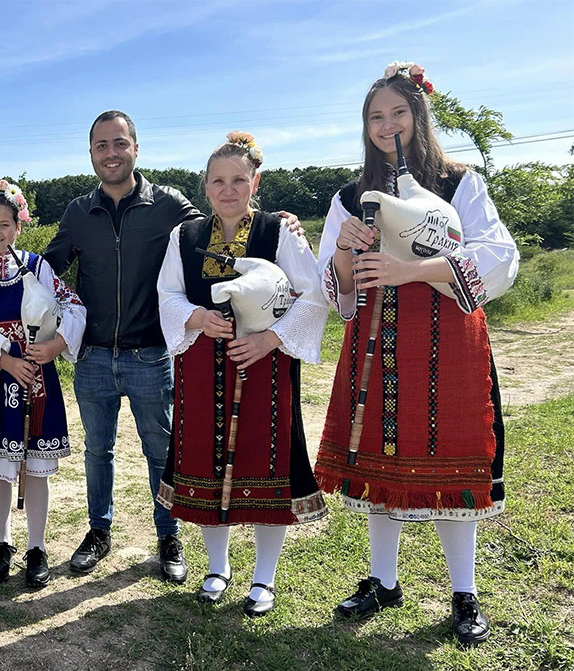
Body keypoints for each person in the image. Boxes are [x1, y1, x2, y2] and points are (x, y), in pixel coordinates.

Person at [313, 62, 518, 646]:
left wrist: (413, 269)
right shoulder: (351, 196)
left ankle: (463, 592)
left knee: (454, 464)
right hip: (377, 340)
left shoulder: (460, 182)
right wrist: (348, 253)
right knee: (380, 461)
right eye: (375, 117)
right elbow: (338, 288)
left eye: (397, 113)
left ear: (418, 115)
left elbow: (498, 257)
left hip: (448, 341)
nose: (387, 125)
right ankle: (383, 580)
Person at [156, 133, 328, 617]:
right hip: (200, 362)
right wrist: (197, 318)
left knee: (263, 461)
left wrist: (268, 339)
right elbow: (167, 292)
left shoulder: (280, 232)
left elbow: (311, 293)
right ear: (205, 186)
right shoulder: (184, 237)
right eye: (217, 181)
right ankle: (217, 566)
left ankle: (264, 577)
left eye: (237, 180)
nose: (227, 189)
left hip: (265, 363)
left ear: (255, 181)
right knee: (208, 464)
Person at [43, 110, 202, 582]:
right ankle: (99, 531)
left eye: (119, 144)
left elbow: (218, 235)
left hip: (150, 355)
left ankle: (169, 535)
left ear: (136, 147)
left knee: (161, 449)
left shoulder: (169, 204)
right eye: (101, 146)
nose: (111, 154)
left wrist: (275, 226)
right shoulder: (78, 211)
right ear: (90, 153)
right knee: (98, 451)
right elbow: (47, 267)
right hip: (92, 357)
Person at [0, 182, 86, 588]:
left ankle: (36, 546)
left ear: (18, 227)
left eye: (4, 225)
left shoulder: (38, 266)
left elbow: (73, 304)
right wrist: (7, 361)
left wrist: (57, 344)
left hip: (37, 370)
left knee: (35, 465)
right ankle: (1, 542)